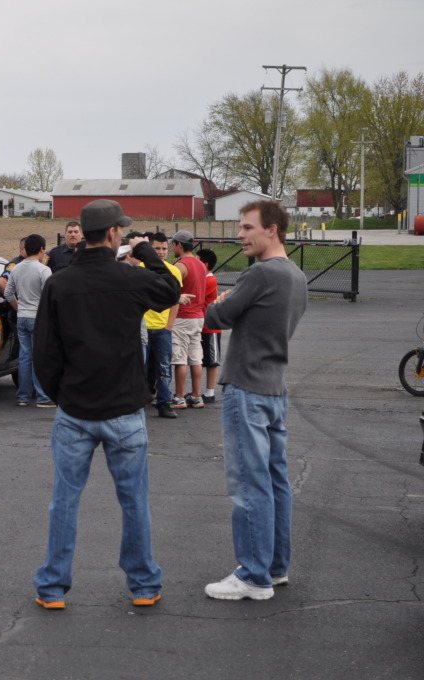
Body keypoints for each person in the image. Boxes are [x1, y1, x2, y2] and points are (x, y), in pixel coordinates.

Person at [32, 199, 180, 610]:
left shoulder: (59, 283)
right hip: (124, 408)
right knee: (134, 501)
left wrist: (63, 394)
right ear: (114, 234)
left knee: (64, 500)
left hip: (76, 409)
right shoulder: (129, 278)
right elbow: (170, 290)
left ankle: (52, 587)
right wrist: (146, 251)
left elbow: (45, 352)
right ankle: (144, 584)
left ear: (81, 234)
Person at [203, 200, 307, 601]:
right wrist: (231, 303)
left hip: (246, 388)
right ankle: (275, 567)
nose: (240, 234)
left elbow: (214, 317)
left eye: (248, 228)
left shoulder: (261, 273)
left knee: (250, 484)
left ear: (272, 230)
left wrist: (225, 302)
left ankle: (254, 576)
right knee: (275, 481)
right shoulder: (295, 276)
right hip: (274, 389)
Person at [3, 233, 53, 408]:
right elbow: (50, 295)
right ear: (41, 249)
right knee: (39, 357)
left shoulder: (16, 268)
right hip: (38, 318)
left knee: (24, 357)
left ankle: (23, 396)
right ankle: (42, 397)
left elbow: (8, 293)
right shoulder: (43, 270)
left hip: (22, 317)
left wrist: (19, 307)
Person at [143, 232, 183, 419]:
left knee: (164, 367)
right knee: (140, 366)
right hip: (142, 327)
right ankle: (139, 398)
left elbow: (175, 299)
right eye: (156, 249)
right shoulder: (141, 269)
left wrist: (170, 324)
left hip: (162, 327)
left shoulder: (173, 271)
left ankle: (164, 402)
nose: (161, 252)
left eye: (164, 248)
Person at [168, 230, 207, 409]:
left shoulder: (180, 266)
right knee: (195, 357)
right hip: (198, 316)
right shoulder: (200, 265)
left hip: (183, 316)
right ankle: (197, 395)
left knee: (180, 358)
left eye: (173, 244)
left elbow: (172, 291)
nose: (172, 247)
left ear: (180, 245)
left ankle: (179, 396)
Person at [197, 248, 221, 403]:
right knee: (200, 359)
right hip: (202, 324)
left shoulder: (209, 280)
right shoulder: (206, 279)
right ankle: (200, 392)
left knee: (211, 361)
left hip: (210, 326)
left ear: (205, 264)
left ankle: (210, 392)